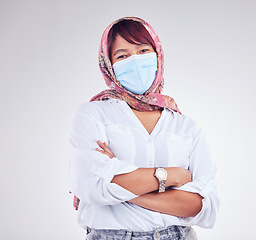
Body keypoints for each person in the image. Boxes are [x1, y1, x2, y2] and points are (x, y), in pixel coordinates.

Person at [68, 16, 219, 240]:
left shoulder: (186, 127)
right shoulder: (92, 115)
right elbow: (91, 187)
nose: (135, 61)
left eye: (143, 51)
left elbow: (204, 208)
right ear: (108, 64)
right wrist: (173, 176)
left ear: (157, 55)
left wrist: (121, 183)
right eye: (122, 56)